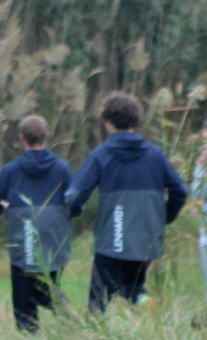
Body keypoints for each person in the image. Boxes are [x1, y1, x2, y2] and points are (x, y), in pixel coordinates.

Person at [67, 92, 187, 311]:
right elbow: (180, 190)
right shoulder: (155, 155)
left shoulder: (102, 154)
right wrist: (163, 217)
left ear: (108, 121)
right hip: (146, 238)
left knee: (99, 296)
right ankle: (143, 301)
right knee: (132, 286)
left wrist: (74, 210)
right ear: (137, 120)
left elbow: (75, 195)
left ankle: (96, 339)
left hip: (112, 240)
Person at [0, 115, 74, 332]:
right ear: (46, 136)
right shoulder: (62, 169)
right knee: (47, 285)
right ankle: (67, 316)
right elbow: (76, 200)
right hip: (54, 239)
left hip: (24, 238)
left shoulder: (11, 170)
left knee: (24, 298)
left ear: (22, 138)